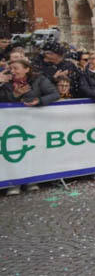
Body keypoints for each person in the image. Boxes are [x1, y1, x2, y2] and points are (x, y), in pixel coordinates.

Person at [0, 55, 59, 195]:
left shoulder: (39, 79)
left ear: (26, 69)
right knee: (13, 151)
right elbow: (3, 99)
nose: (13, 71)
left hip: (33, 122)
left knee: (33, 149)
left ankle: (32, 179)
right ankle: (14, 182)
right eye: (11, 68)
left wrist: (38, 101)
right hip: (11, 123)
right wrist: (14, 95)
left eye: (16, 68)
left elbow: (54, 94)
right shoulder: (5, 82)